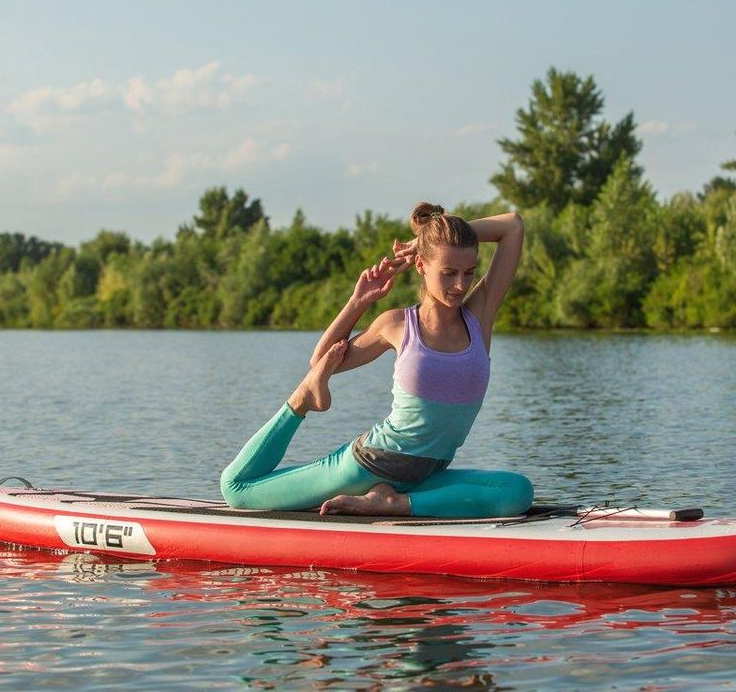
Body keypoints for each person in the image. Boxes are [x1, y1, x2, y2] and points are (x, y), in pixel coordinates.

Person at [219, 202, 533, 518]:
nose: (461, 286)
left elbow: (513, 227)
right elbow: (323, 360)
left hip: (425, 475)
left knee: (517, 491)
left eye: (469, 273)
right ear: (421, 266)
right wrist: (358, 302)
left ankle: (394, 503)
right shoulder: (397, 325)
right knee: (237, 488)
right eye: (449, 273)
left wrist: (425, 237)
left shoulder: (478, 316)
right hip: (370, 465)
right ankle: (302, 400)